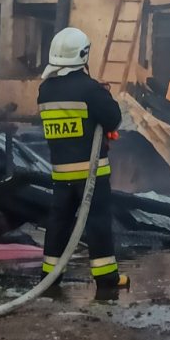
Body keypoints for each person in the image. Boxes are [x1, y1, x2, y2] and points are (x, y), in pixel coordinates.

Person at [37, 27, 129, 297]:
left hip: (60, 174)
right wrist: (103, 96)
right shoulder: (90, 89)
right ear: (83, 55)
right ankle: (107, 278)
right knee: (98, 222)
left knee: (59, 223)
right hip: (91, 174)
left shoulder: (45, 90)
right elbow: (113, 118)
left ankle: (50, 276)